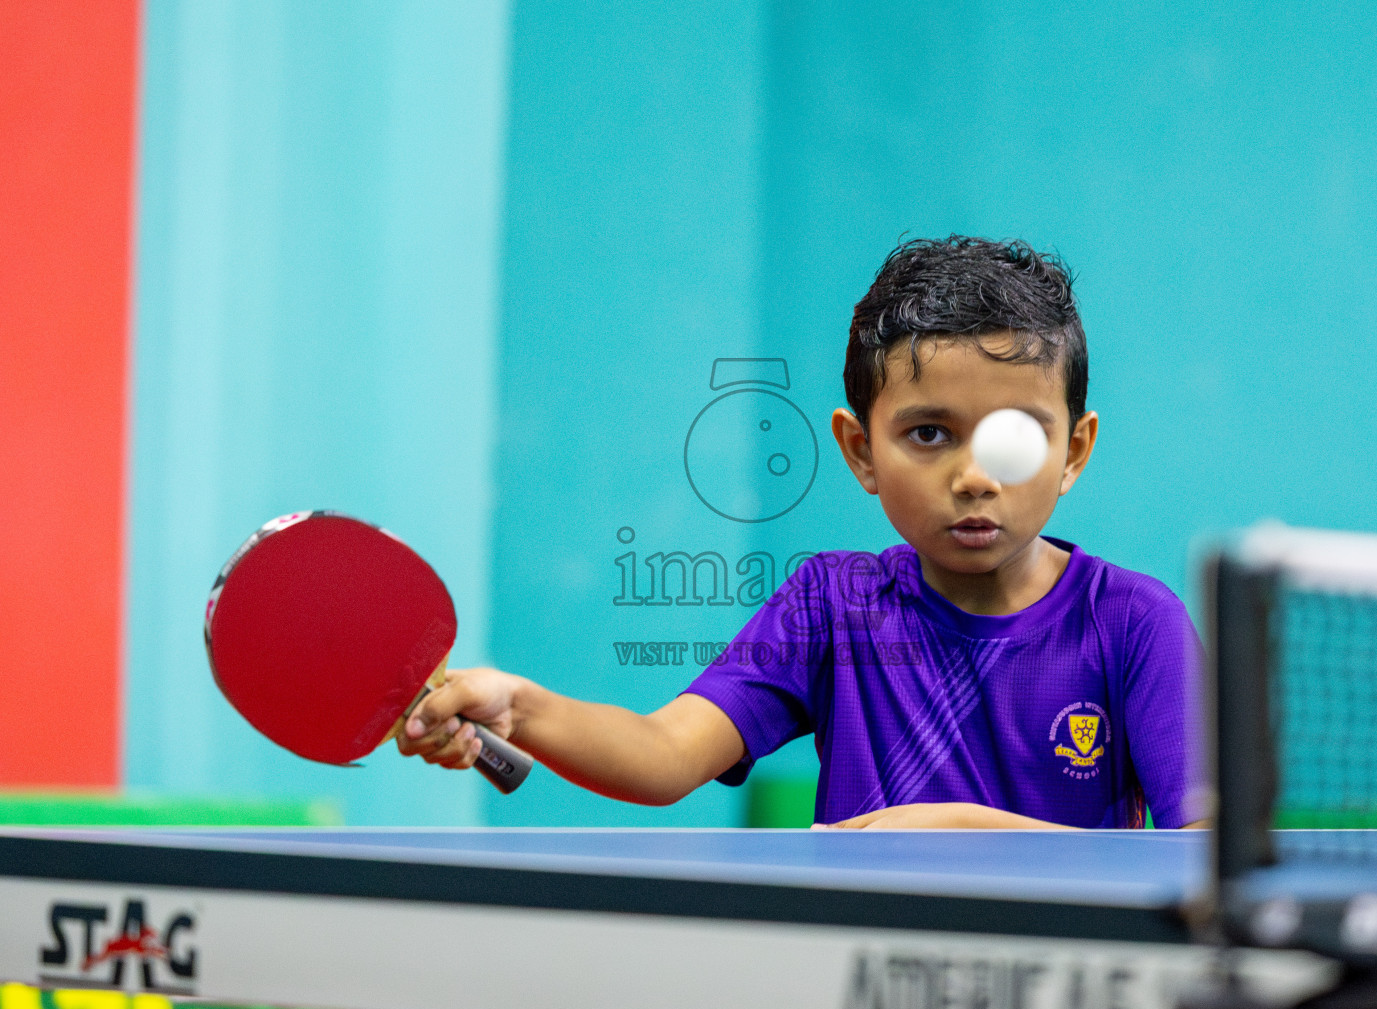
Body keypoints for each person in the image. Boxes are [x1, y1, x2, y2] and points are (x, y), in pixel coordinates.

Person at [399, 236, 1206, 829]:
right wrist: (522, 707)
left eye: (1014, 438)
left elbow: (1200, 853)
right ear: (861, 450)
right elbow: (665, 755)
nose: (974, 476)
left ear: (1073, 451)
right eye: (929, 433)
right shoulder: (831, 605)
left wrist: (968, 833)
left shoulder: (1134, 624)